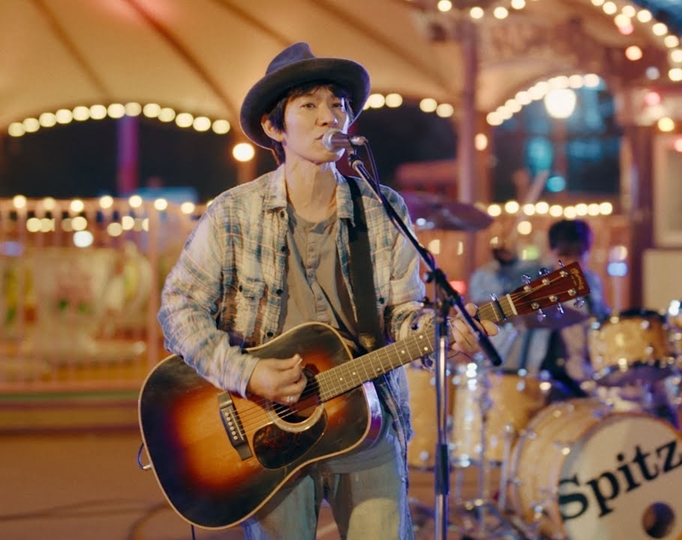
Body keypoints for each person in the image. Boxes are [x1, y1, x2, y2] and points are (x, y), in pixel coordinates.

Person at [157, 42, 498, 540]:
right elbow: (178, 308)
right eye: (309, 105)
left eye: (338, 104)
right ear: (275, 127)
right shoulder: (234, 213)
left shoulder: (379, 207)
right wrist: (248, 373)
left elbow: (402, 314)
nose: (328, 117)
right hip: (269, 430)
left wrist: (442, 334)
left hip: (368, 421)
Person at [469, 218, 682, 426]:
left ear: (587, 252)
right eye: (563, 256)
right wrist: (503, 263)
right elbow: (485, 287)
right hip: (542, 375)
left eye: (578, 255)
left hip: (582, 373)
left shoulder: (591, 282)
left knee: (647, 389)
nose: (570, 263)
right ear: (551, 252)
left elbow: (602, 322)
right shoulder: (534, 276)